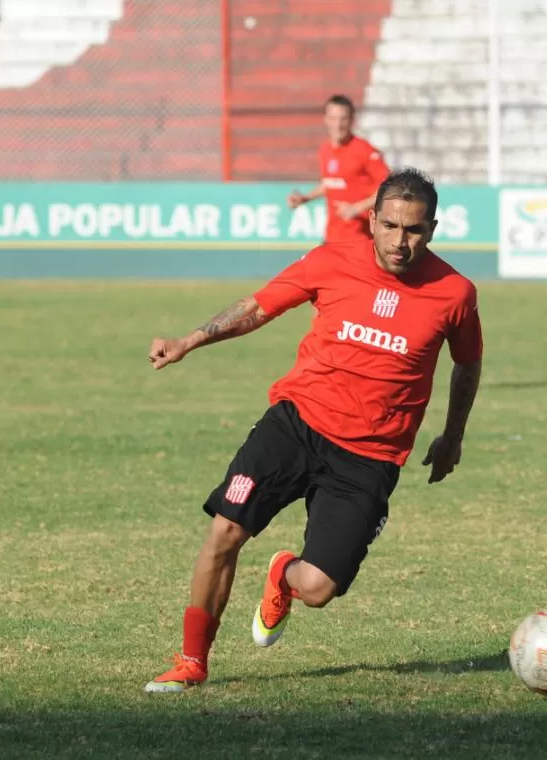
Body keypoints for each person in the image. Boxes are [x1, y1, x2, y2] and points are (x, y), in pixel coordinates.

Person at [144, 168, 483, 693]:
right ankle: (192, 661)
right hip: (295, 425)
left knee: (319, 588)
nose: (400, 241)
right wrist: (190, 340)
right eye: (390, 225)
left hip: (369, 457)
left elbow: (467, 364)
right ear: (371, 220)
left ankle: (282, 574)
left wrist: (453, 436)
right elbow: (258, 307)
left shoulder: (455, 293)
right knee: (224, 532)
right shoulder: (331, 259)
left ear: (433, 229)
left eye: (413, 230)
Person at [287, 94, 391, 244]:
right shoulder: (325, 150)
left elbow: (389, 188)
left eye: (343, 119)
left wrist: (357, 208)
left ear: (352, 120)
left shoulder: (365, 151)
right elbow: (330, 183)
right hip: (332, 238)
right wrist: (305, 198)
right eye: (333, 118)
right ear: (325, 119)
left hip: (360, 239)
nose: (338, 124)